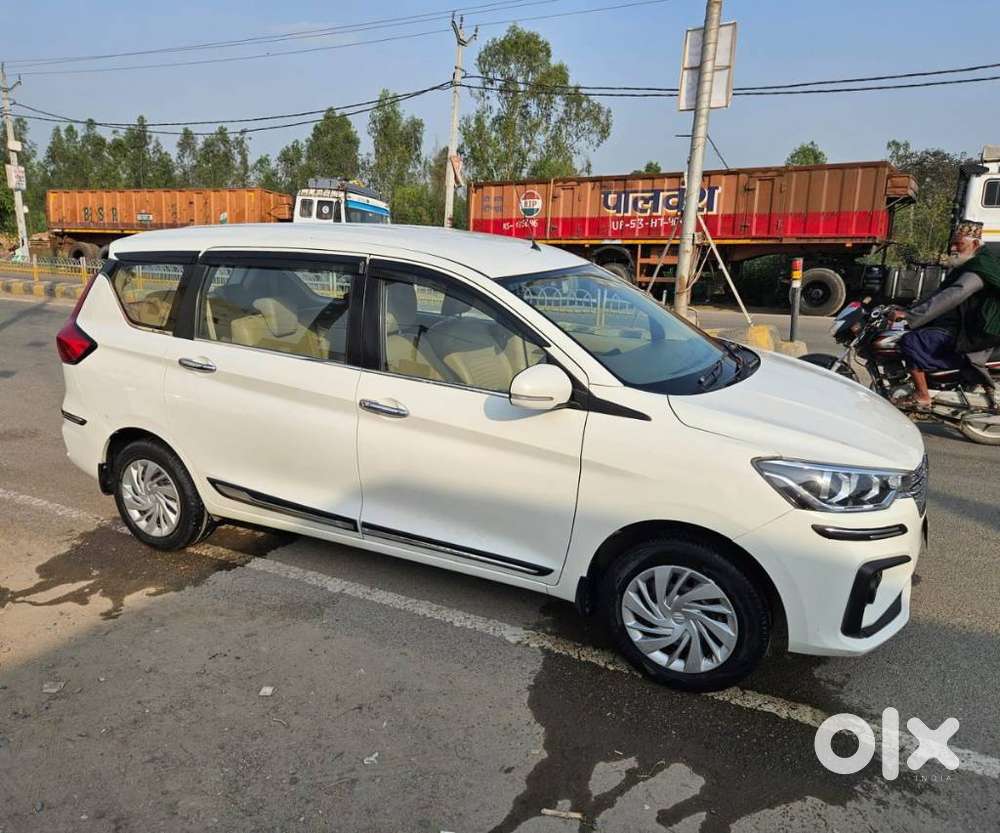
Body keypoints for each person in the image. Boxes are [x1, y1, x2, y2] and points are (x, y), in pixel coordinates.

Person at [894, 219, 1000, 410]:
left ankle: (922, 395)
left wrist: (910, 317)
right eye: (952, 243)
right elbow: (938, 293)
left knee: (910, 341)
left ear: (974, 244)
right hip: (969, 324)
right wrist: (908, 308)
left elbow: (953, 295)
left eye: (958, 244)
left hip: (981, 331)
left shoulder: (979, 269)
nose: (952, 248)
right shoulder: (969, 264)